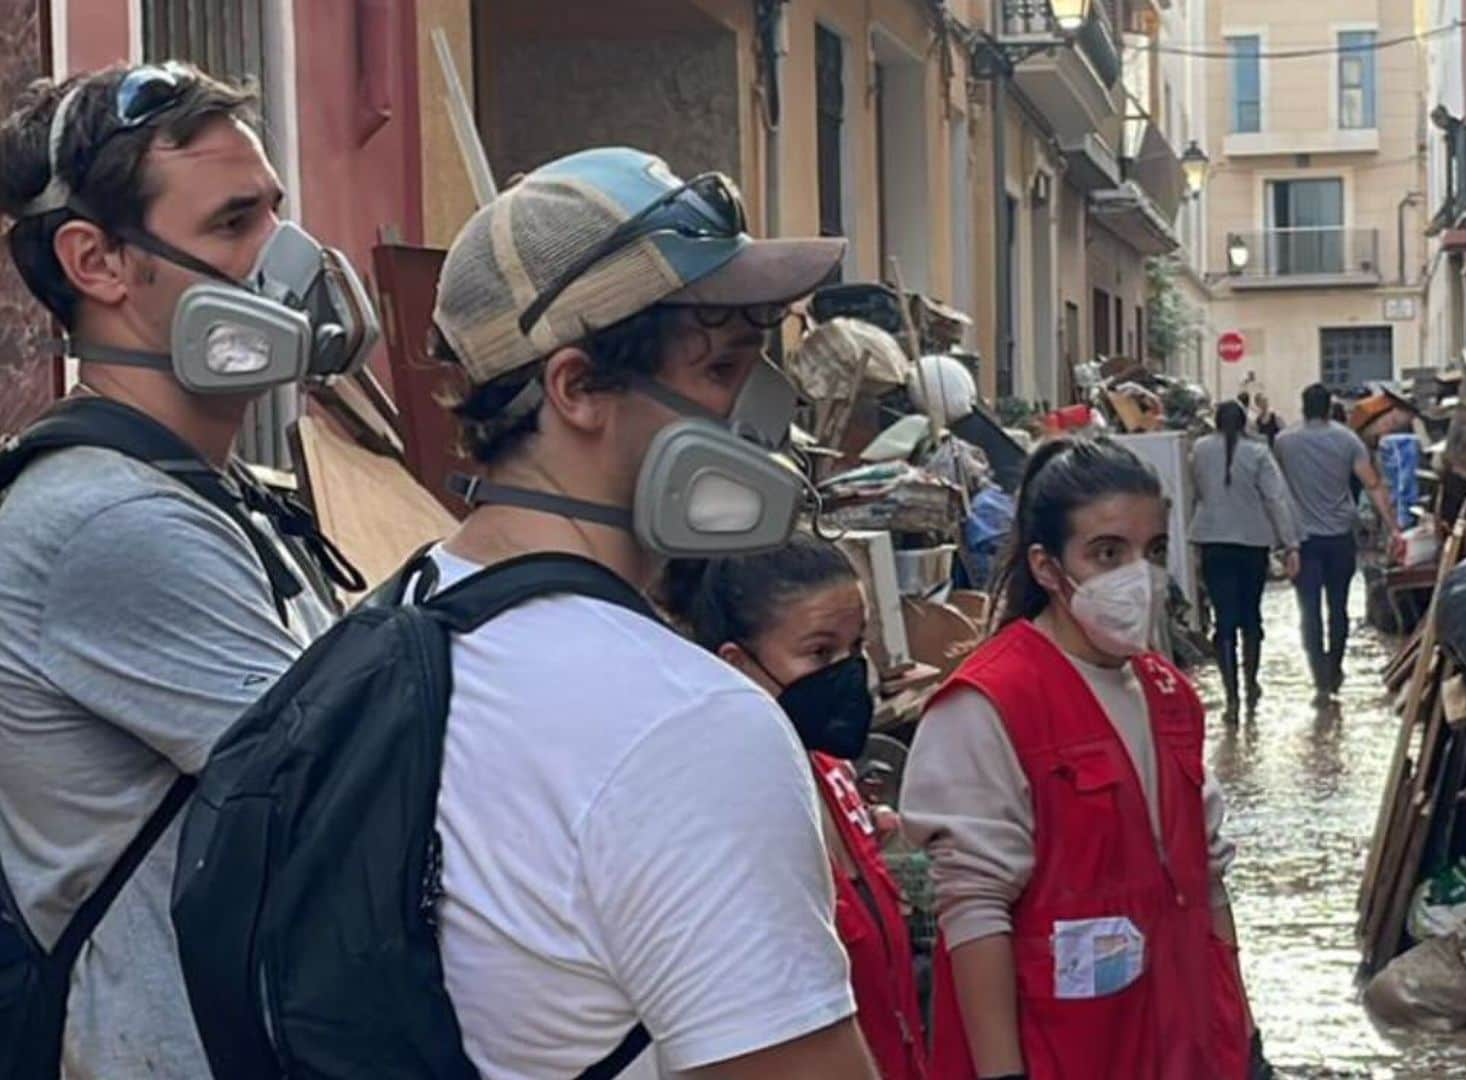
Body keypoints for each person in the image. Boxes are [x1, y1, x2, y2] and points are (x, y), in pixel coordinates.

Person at [415, 148, 875, 1078]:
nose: (764, 412)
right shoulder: (690, 723)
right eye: (722, 368)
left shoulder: (406, 614)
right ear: (577, 388)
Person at [0, 63, 363, 1077]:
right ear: (98, 262)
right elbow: (365, 795)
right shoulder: (108, 520)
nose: (286, 263)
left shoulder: (221, 493)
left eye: (276, 216)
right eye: (232, 225)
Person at [901, 437, 1252, 1080]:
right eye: (1106, 554)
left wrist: (1245, 1038)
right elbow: (974, 909)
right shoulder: (989, 705)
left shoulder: (1166, 691)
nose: (1136, 579)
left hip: (1183, 1040)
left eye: (1151, 553)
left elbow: (1205, 877)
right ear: (1046, 566)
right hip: (1062, 1050)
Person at [660, 538, 928, 1080]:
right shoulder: (727, 814)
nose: (851, 672)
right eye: (820, 652)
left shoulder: (829, 772)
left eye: (857, 646)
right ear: (736, 664)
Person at [1273, 383, 1404, 701]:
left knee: (1309, 611)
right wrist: (1394, 528)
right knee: (1339, 607)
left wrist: (1279, 538)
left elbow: (1275, 491)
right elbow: (1372, 485)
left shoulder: (1284, 442)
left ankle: (1319, 677)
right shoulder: (1348, 440)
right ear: (1330, 407)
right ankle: (1334, 668)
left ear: (1304, 408)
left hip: (1303, 540)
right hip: (1340, 538)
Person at [1188, 400, 1302, 721]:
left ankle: (1231, 698)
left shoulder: (1199, 449)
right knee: (1250, 616)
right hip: (1252, 544)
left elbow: (1196, 490)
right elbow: (1275, 499)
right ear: (1243, 423)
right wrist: (1290, 544)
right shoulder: (1258, 453)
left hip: (1212, 542)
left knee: (1224, 619)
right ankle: (1251, 684)